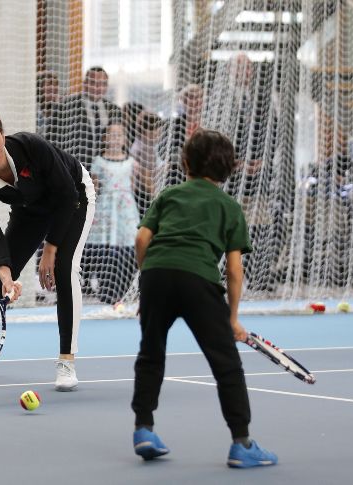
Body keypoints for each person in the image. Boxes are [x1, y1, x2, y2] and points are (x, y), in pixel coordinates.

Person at [130, 128, 277, 468]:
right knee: (226, 365)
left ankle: (143, 430)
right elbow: (235, 270)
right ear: (229, 170)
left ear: (185, 163)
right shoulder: (229, 206)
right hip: (198, 280)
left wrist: (148, 279)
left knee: (150, 355)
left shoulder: (168, 195)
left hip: (156, 275)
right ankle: (242, 443)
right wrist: (233, 318)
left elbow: (141, 239)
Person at [0, 107, 95, 392]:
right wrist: (5, 273)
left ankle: (66, 361)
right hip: (30, 210)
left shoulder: (30, 146)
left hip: (74, 198)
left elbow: (66, 197)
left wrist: (50, 249)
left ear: (2, 135)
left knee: (64, 268)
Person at [83, 119, 140, 304]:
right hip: (106, 209)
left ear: (125, 139)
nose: (115, 138)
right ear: (105, 138)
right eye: (111, 134)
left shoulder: (132, 162)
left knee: (126, 246)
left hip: (125, 209)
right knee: (104, 247)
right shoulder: (99, 161)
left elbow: (134, 185)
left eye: (119, 135)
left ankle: (122, 288)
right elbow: (95, 186)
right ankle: (105, 288)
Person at [51, 66, 121, 172]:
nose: (98, 87)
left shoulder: (114, 110)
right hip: (75, 168)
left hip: (106, 171)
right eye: (93, 83)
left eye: (102, 84)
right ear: (85, 84)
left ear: (106, 86)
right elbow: (55, 138)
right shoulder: (66, 106)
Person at [129, 111, 166, 218]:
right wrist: (155, 197)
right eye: (157, 132)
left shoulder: (144, 145)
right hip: (143, 194)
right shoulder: (145, 148)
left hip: (142, 192)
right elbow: (145, 177)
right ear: (147, 132)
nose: (159, 135)